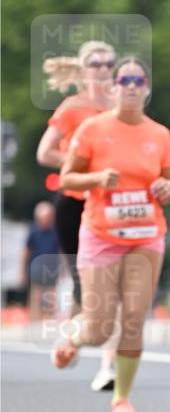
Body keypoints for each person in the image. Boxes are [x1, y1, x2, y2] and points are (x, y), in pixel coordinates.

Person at [53, 57, 170, 412]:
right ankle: (75, 334)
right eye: (124, 79)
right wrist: (95, 178)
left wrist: (166, 188)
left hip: (146, 235)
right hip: (101, 234)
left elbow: (169, 186)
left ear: (147, 87)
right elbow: (66, 179)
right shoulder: (93, 128)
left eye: (138, 80)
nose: (131, 86)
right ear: (113, 87)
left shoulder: (159, 134)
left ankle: (121, 402)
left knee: (135, 320)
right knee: (99, 329)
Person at [36, 40, 118, 391]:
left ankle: (109, 367)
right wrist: (81, 167)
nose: (102, 69)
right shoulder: (72, 108)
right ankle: (71, 335)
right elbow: (45, 152)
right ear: (83, 72)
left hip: (114, 204)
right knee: (88, 288)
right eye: (95, 64)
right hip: (75, 205)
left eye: (108, 63)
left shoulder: (122, 106)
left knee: (115, 288)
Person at [22, 201, 60, 322]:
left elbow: (60, 251)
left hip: (52, 267)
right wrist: (22, 270)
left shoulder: (55, 231)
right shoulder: (33, 231)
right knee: (36, 295)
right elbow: (26, 251)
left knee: (51, 294)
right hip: (36, 267)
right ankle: (34, 320)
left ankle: (50, 319)